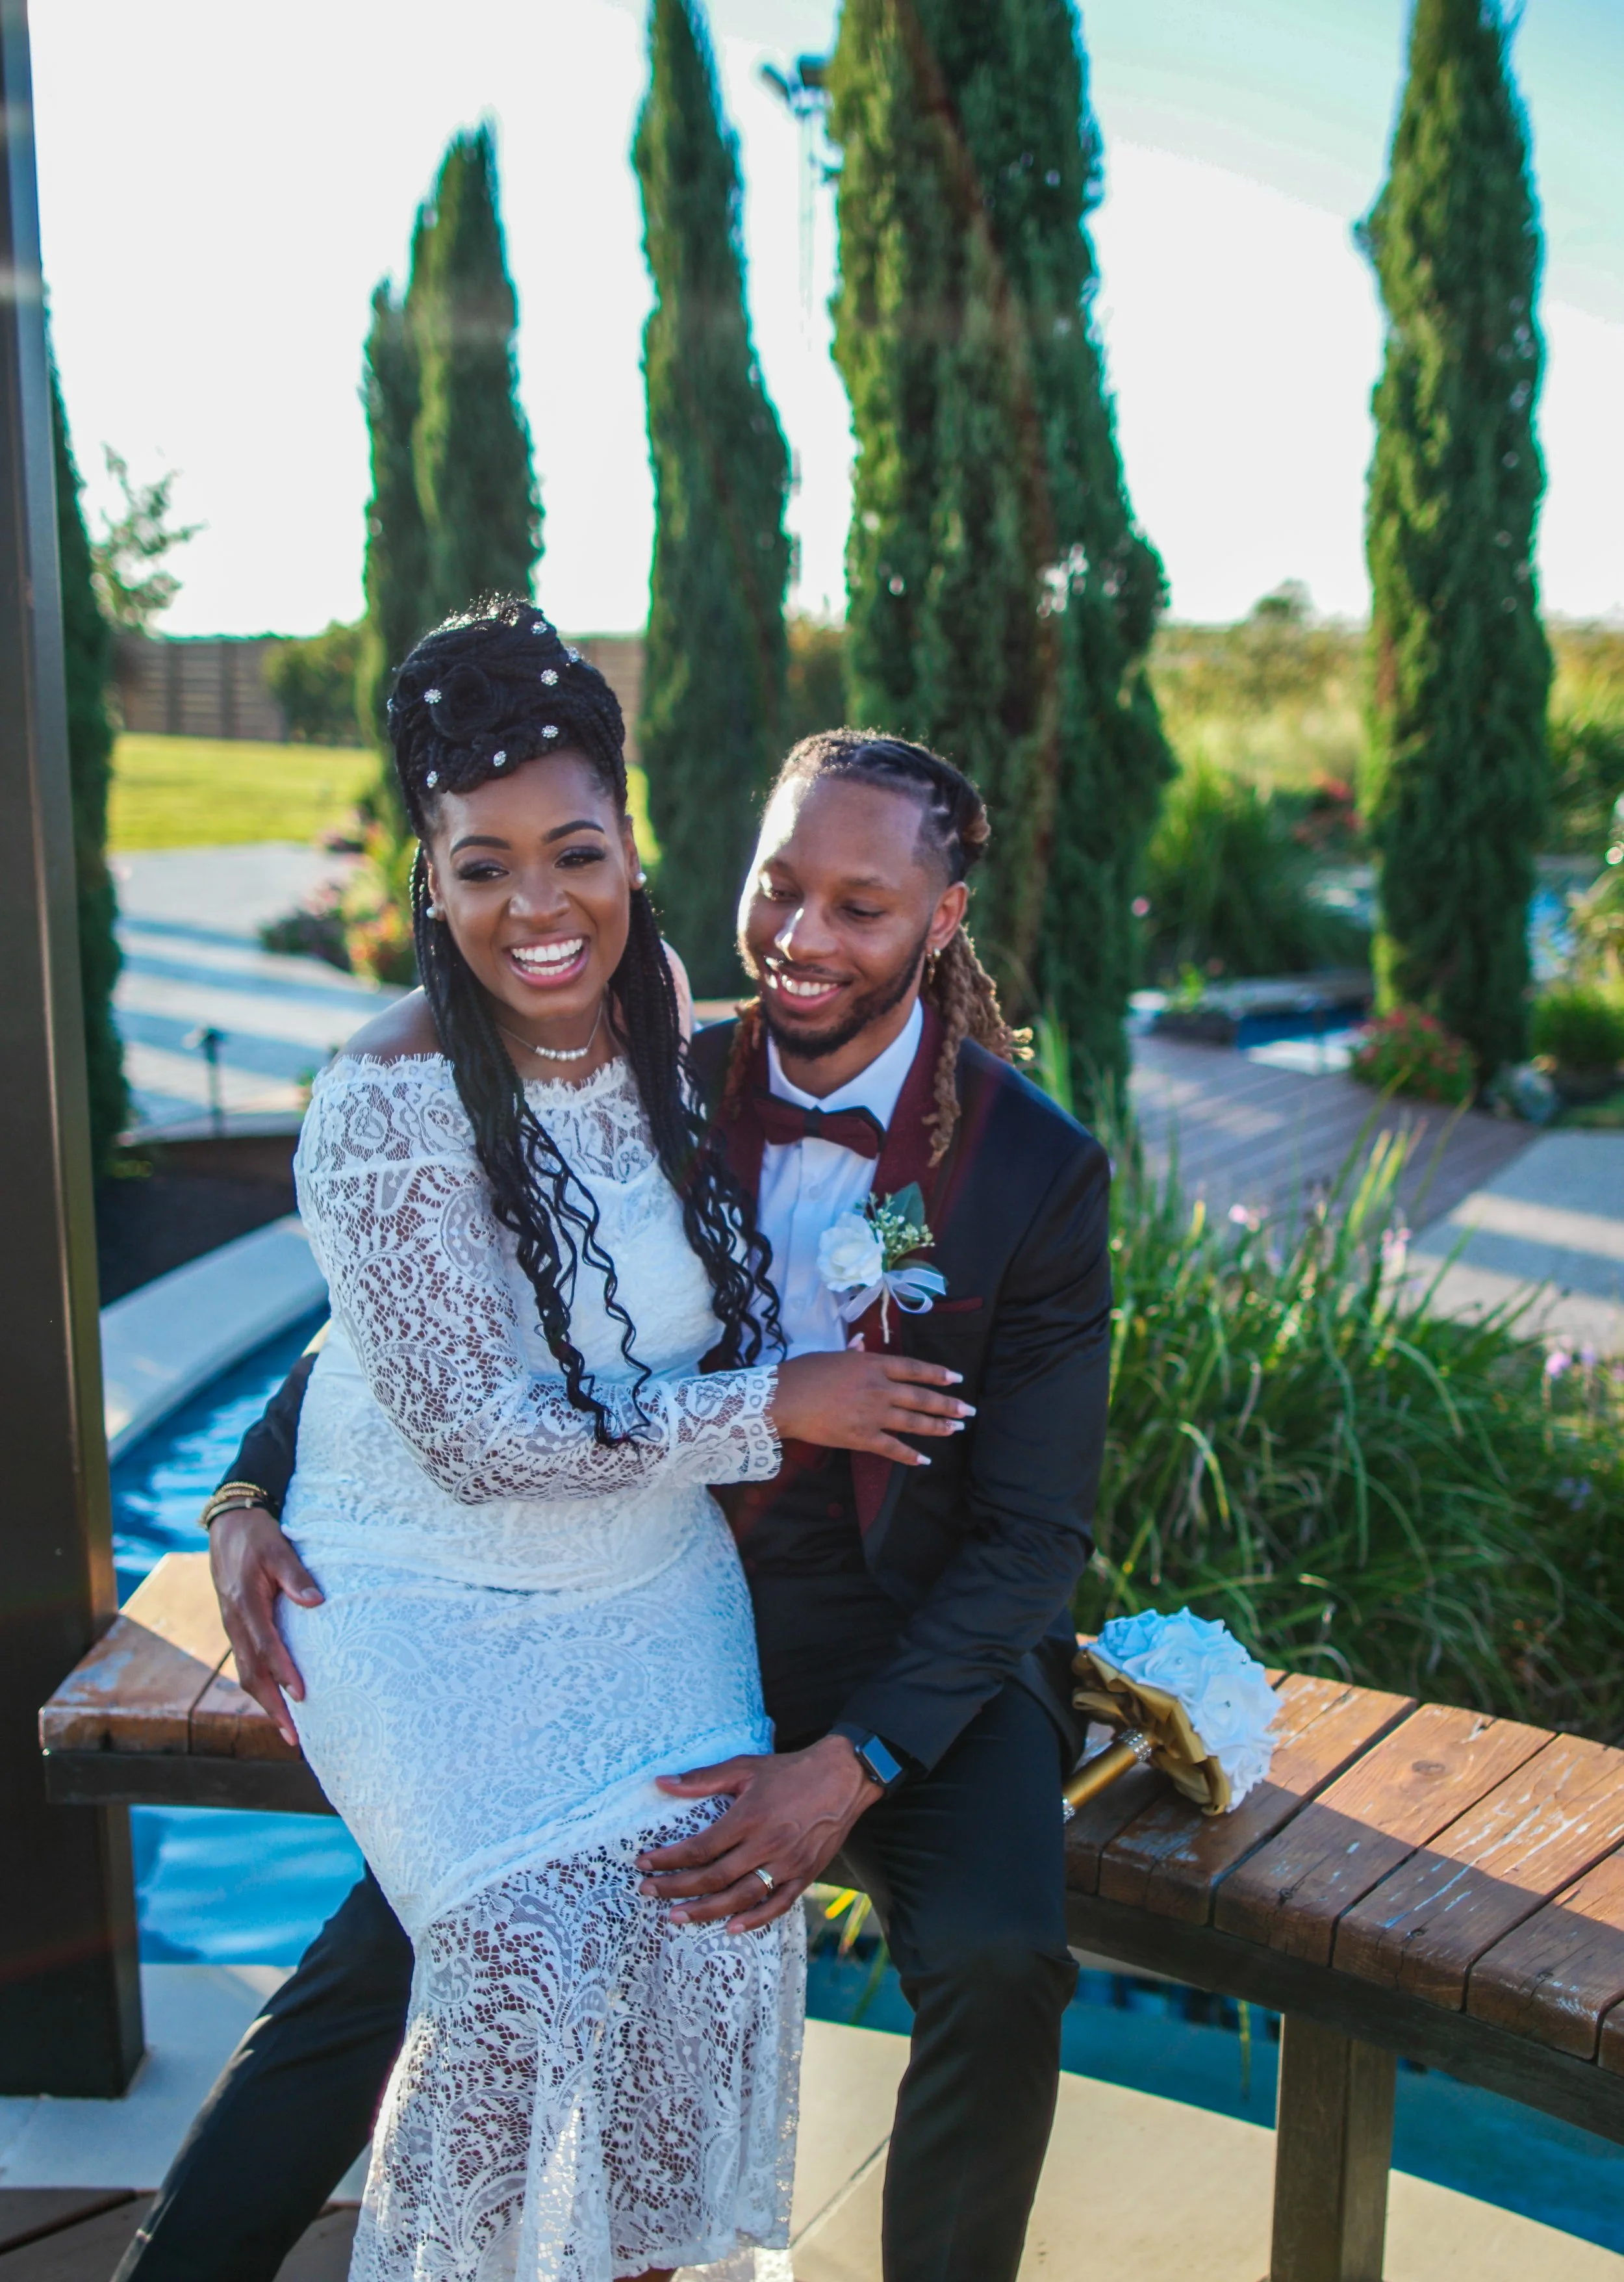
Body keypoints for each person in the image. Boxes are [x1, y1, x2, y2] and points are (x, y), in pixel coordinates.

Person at [122, 730, 1111, 2282]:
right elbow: (417, 1317)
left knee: (1000, 1960)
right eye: (778, 886)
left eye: (859, 906)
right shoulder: (651, 1070)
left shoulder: (1033, 1170)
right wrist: (247, 1484)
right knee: (414, 1938)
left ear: (942, 918)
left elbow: (1033, 1537)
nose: (800, 936)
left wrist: (846, 1765)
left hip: (921, 1644)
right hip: (653, 1610)